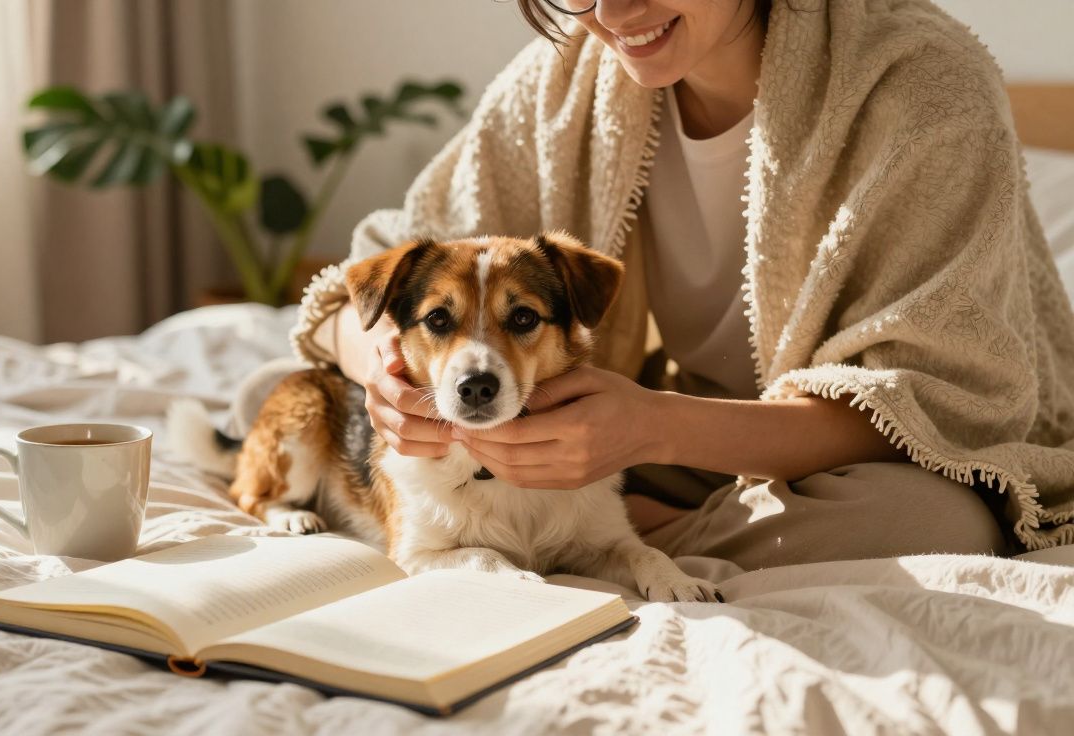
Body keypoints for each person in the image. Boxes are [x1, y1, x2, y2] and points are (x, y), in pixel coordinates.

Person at [286, 0, 1074, 569]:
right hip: (678, 431)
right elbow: (355, 290)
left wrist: (651, 428)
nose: (610, 11)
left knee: (931, 520)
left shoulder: (919, 82)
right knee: (293, 385)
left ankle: (625, 536)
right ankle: (608, 529)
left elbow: (931, 401)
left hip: (837, 453)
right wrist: (380, 374)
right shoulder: (565, 82)